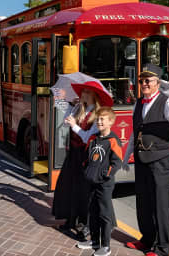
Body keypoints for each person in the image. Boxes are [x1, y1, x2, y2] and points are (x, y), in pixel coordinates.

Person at [123, 63, 169, 256]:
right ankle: (147, 240)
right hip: (142, 158)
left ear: (158, 82)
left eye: (148, 80)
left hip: (161, 160)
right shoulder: (138, 103)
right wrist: (126, 155)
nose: (144, 84)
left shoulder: (166, 102)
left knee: (159, 204)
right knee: (143, 202)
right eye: (141, 80)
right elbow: (135, 131)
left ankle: (162, 248)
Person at [52, 80, 113, 240]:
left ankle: (85, 226)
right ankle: (70, 220)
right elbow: (65, 120)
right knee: (70, 188)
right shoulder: (80, 108)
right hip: (73, 154)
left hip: (86, 156)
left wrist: (74, 125)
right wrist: (71, 107)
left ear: (94, 95)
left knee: (84, 193)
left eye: (87, 92)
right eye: (83, 92)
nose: (83, 95)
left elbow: (88, 138)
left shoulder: (97, 114)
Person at [77, 107, 122, 256]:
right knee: (93, 212)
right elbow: (86, 158)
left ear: (111, 122)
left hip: (104, 184)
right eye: (98, 119)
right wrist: (87, 171)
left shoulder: (113, 141)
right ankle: (94, 241)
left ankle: (106, 246)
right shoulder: (93, 138)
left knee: (104, 214)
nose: (99, 121)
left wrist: (104, 175)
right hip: (91, 182)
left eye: (103, 119)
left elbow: (117, 163)